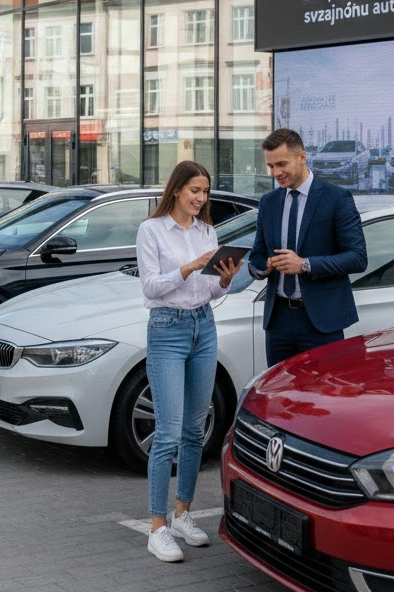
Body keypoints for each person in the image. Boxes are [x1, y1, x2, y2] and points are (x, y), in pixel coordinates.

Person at [136, 160, 244, 564]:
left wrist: (225, 279)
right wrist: (190, 266)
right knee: (166, 434)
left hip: (204, 325)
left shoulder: (207, 231)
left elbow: (210, 290)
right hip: (167, 328)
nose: (201, 198)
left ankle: (183, 513)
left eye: (205, 192)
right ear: (177, 189)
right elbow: (150, 286)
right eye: (195, 190)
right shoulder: (152, 229)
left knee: (195, 430)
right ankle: (157, 526)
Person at [248, 127, 368, 368]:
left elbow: (357, 257)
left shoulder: (337, 198)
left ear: (302, 157)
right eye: (270, 166)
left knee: (323, 398)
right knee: (279, 396)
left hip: (321, 322)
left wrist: (304, 265)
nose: (276, 173)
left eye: (281, 164)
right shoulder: (269, 202)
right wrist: (264, 267)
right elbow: (257, 255)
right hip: (278, 320)